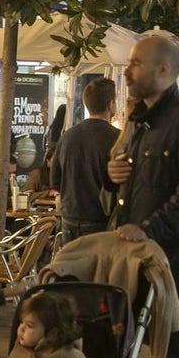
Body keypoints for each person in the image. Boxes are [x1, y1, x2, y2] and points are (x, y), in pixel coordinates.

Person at [106, 34, 179, 358]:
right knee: (120, 348)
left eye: (136, 63)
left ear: (163, 69)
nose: (127, 71)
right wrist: (113, 173)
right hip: (131, 256)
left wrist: (151, 228)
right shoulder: (138, 118)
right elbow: (124, 175)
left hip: (171, 260)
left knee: (175, 355)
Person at [51, 78, 120, 243]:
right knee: (99, 268)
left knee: (73, 267)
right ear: (111, 104)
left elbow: (55, 179)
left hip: (69, 217)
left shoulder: (67, 136)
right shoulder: (117, 139)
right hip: (100, 220)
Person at [0, 290, 99, 358]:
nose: (21, 328)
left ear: (51, 330)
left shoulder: (66, 354)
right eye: (22, 322)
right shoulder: (19, 350)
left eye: (29, 325)